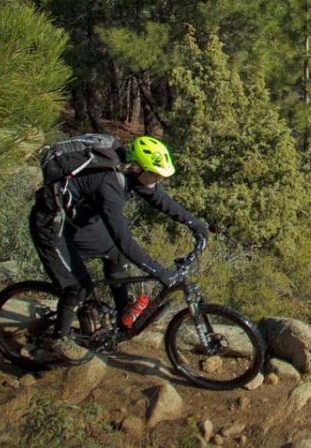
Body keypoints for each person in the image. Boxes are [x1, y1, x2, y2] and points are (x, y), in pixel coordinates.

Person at [28, 134, 209, 361]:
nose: (157, 180)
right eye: (154, 174)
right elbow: (124, 240)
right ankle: (59, 339)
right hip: (50, 226)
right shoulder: (109, 184)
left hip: (77, 222)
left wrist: (194, 223)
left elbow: (159, 199)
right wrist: (159, 272)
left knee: (114, 253)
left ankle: (123, 310)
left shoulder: (129, 172)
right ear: (137, 168)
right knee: (77, 286)